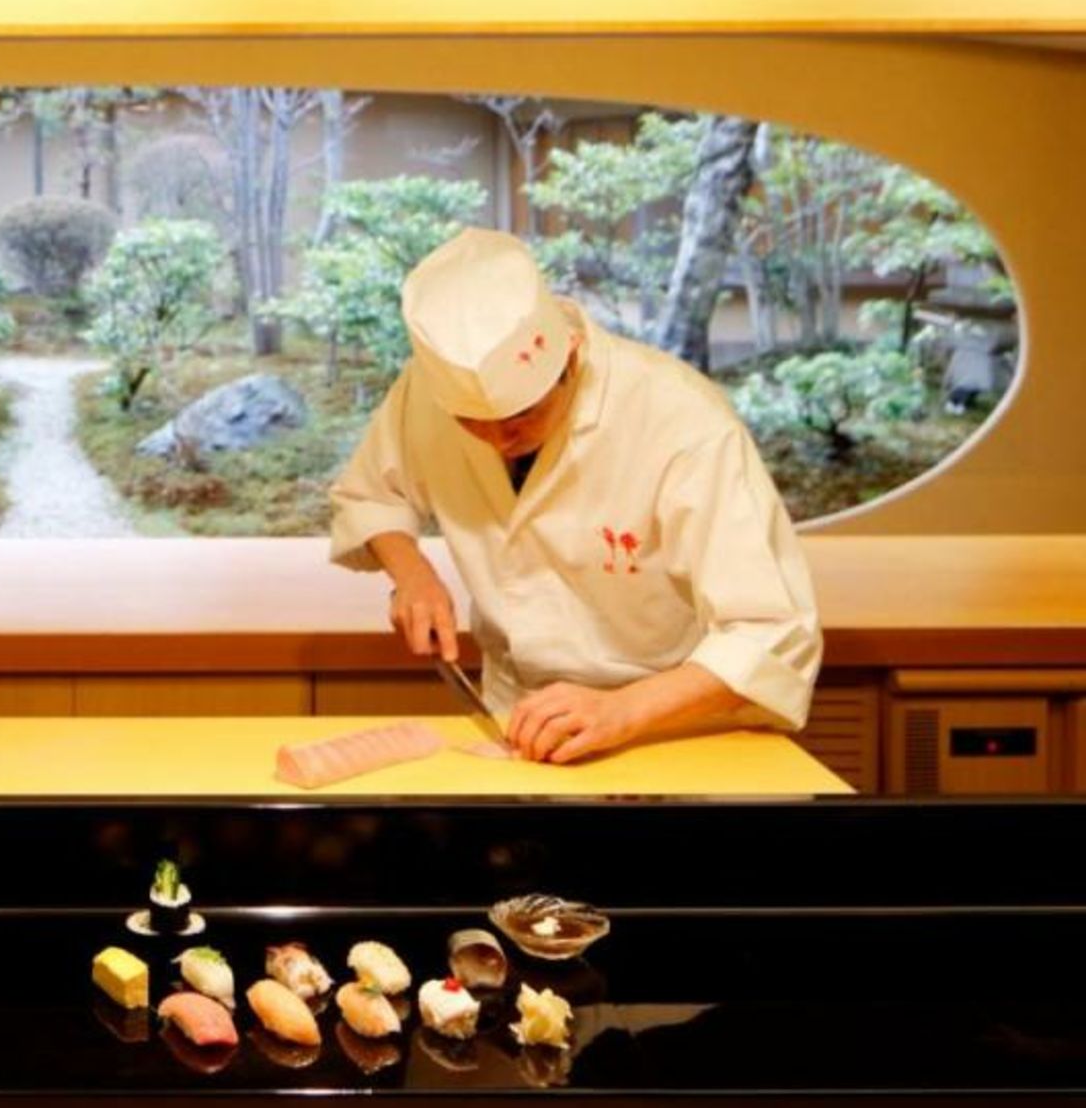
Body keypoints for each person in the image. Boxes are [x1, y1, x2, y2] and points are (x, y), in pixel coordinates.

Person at [327, 227, 822, 764]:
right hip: (517, 718)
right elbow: (371, 494)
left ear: (571, 356)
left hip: (670, 720)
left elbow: (773, 632)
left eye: (521, 415)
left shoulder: (682, 421)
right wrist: (411, 574)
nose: (497, 439)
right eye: (471, 422)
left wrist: (625, 710)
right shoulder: (430, 390)